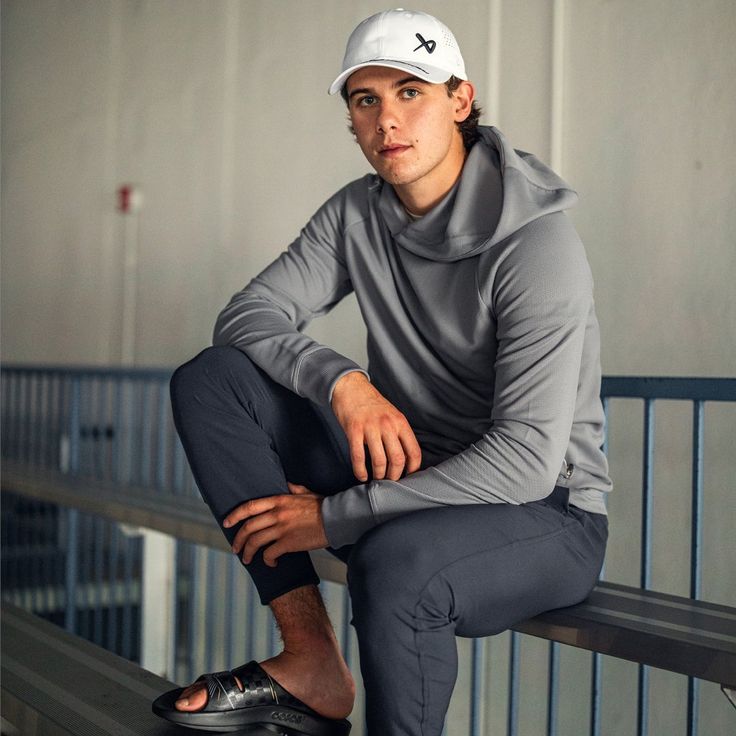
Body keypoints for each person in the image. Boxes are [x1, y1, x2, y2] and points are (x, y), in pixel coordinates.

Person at [153, 8, 611, 736]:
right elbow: (248, 315)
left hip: (546, 512)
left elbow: (527, 462)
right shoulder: (356, 215)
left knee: (395, 563)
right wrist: (342, 380)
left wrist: (332, 517)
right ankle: (310, 661)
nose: (386, 120)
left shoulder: (537, 245)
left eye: (410, 93)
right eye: (365, 100)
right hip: (406, 477)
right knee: (212, 380)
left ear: (460, 101)